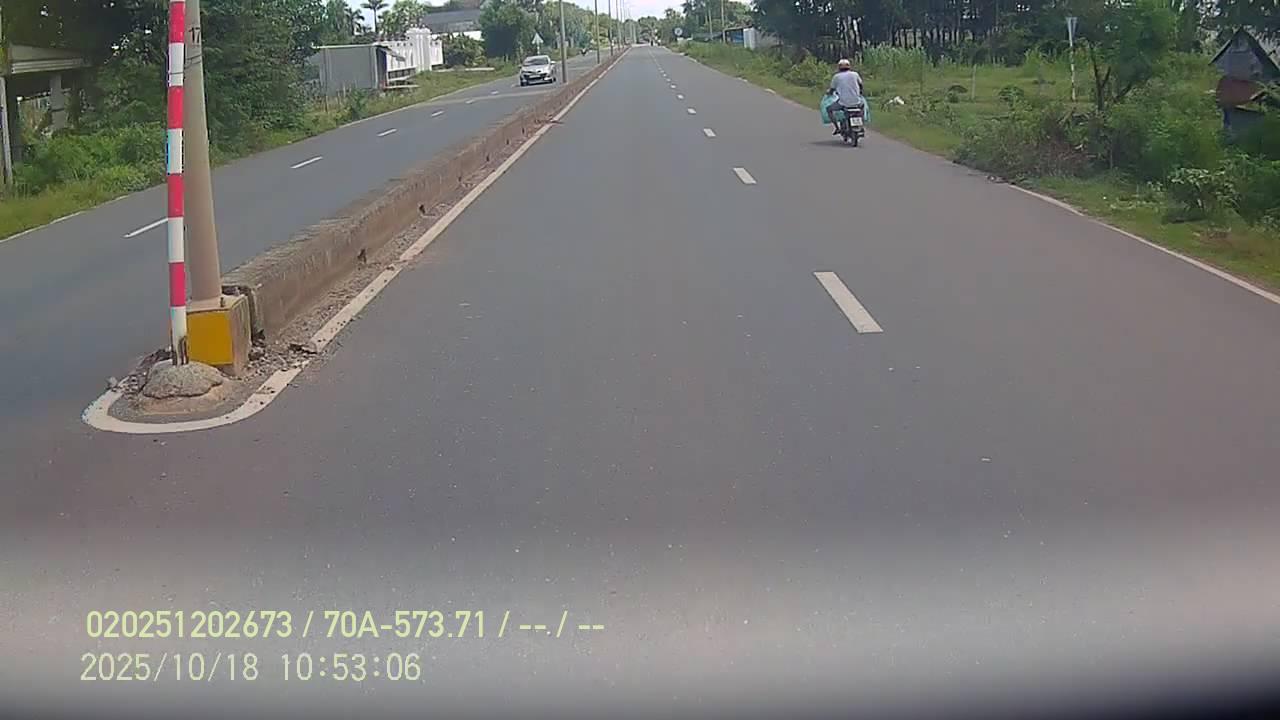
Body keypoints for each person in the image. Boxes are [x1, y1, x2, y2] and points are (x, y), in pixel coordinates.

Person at [825, 58, 865, 134]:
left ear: (839, 67)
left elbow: (832, 89)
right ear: (849, 66)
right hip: (856, 102)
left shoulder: (836, 77)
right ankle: (861, 125)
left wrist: (829, 93)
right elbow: (861, 85)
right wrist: (860, 92)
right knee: (862, 108)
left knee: (829, 109)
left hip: (843, 103)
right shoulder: (855, 74)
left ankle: (837, 128)